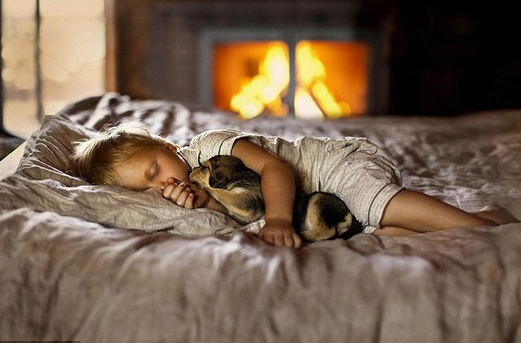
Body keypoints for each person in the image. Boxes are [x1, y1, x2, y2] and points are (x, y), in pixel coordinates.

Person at [73, 121, 517, 249]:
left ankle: (487, 228)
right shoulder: (188, 185)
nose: (164, 179)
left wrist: (281, 218)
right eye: (149, 186)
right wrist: (196, 200)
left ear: (163, 143)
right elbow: (234, 211)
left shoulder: (209, 147)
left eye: (155, 166)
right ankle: (478, 218)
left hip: (338, 164)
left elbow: (277, 173)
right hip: (323, 201)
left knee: (377, 205)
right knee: (374, 231)